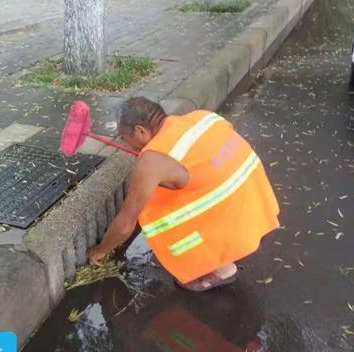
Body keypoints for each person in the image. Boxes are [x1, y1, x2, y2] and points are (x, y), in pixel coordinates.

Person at [87, 97, 280, 292]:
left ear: (140, 131)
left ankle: (220, 269)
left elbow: (125, 226)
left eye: (125, 138)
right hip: (258, 208)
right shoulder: (203, 118)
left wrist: (100, 250)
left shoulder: (151, 161)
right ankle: (229, 252)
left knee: (168, 214)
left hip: (232, 221)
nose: (128, 146)